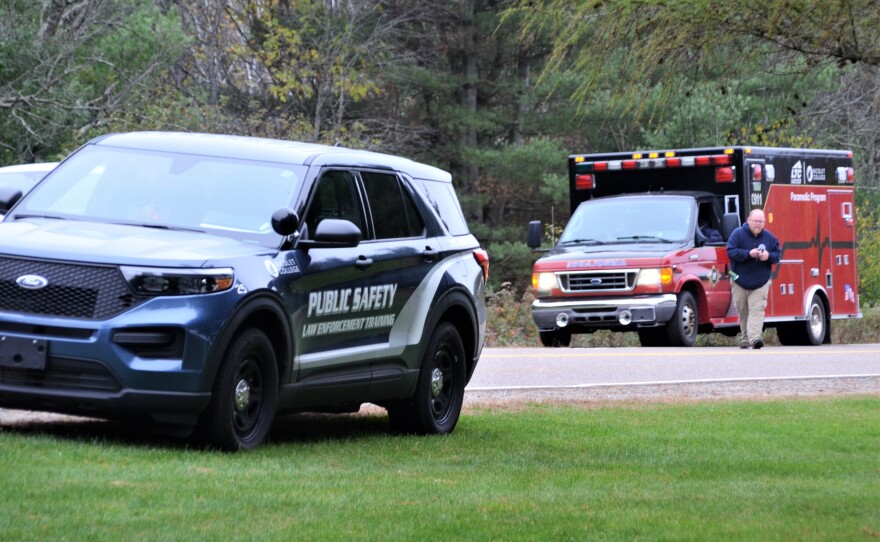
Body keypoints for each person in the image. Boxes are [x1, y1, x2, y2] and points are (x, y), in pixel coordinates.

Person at [726, 209, 780, 349]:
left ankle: (755, 338)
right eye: (756, 221)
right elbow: (730, 251)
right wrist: (748, 254)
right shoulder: (737, 234)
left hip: (761, 281)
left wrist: (768, 256)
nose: (758, 224)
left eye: (761, 221)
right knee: (743, 310)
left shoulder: (770, 238)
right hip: (738, 279)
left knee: (757, 309)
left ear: (764, 223)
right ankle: (745, 338)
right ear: (748, 220)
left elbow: (777, 255)